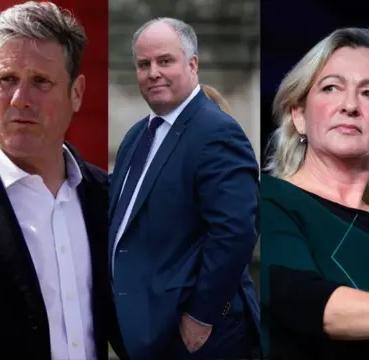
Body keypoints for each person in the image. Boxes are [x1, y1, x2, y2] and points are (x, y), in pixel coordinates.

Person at [0, 2, 126, 360]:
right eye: (6, 79)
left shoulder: (110, 199)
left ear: (77, 93)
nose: (20, 99)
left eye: (40, 82)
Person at [261, 27, 369, 360]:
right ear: (298, 115)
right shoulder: (269, 198)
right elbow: (301, 300)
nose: (350, 105)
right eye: (331, 88)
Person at [109, 17, 260, 360]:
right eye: (143, 64)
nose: (153, 72)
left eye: (165, 61)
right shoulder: (137, 135)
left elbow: (235, 232)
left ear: (192, 65)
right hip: (146, 332)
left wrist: (201, 315)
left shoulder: (216, 132)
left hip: (199, 338)